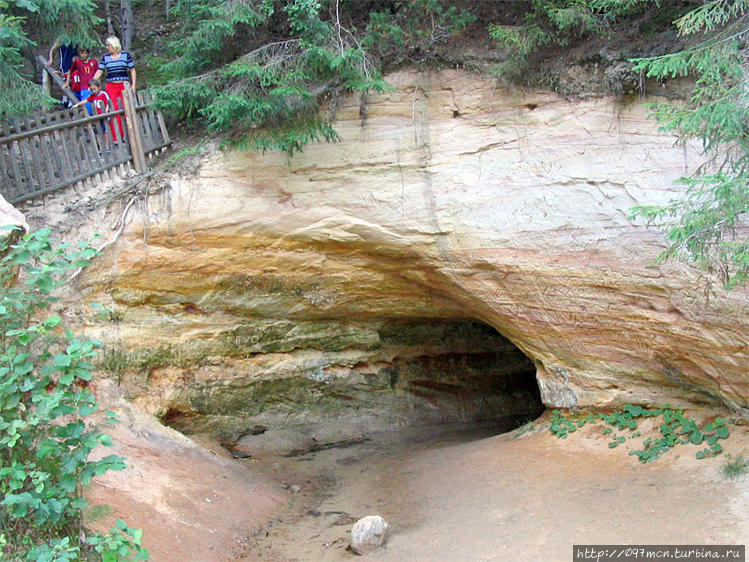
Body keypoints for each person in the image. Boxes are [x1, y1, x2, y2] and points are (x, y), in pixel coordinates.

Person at [93, 36, 136, 142]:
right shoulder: (106, 58)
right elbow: (100, 70)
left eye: (108, 45)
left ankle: (129, 134)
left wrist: (133, 84)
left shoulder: (126, 55)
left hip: (123, 85)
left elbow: (132, 70)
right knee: (114, 110)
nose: (107, 48)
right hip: (111, 86)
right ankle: (117, 136)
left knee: (126, 109)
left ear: (114, 45)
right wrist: (93, 81)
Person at [72, 79, 115, 152]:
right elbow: (85, 100)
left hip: (104, 116)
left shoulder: (103, 94)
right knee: (97, 132)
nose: (93, 91)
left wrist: (106, 111)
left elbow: (108, 102)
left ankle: (107, 146)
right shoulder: (92, 96)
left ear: (99, 87)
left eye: (94, 89)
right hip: (96, 116)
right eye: (92, 90)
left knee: (105, 131)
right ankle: (101, 147)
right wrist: (77, 104)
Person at [64, 47, 97, 114]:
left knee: (96, 104)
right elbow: (70, 71)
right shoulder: (77, 61)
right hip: (84, 87)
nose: (84, 55)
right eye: (82, 53)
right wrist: (67, 83)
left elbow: (97, 73)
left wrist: (98, 85)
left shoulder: (93, 61)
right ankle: (89, 121)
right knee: (87, 106)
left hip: (94, 86)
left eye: (85, 53)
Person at [48, 42, 78, 107]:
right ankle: (65, 100)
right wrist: (51, 59)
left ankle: (72, 100)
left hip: (75, 62)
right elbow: (53, 49)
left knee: (74, 81)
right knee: (65, 82)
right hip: (65, 64)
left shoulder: (76, 36)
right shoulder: (61, 39)